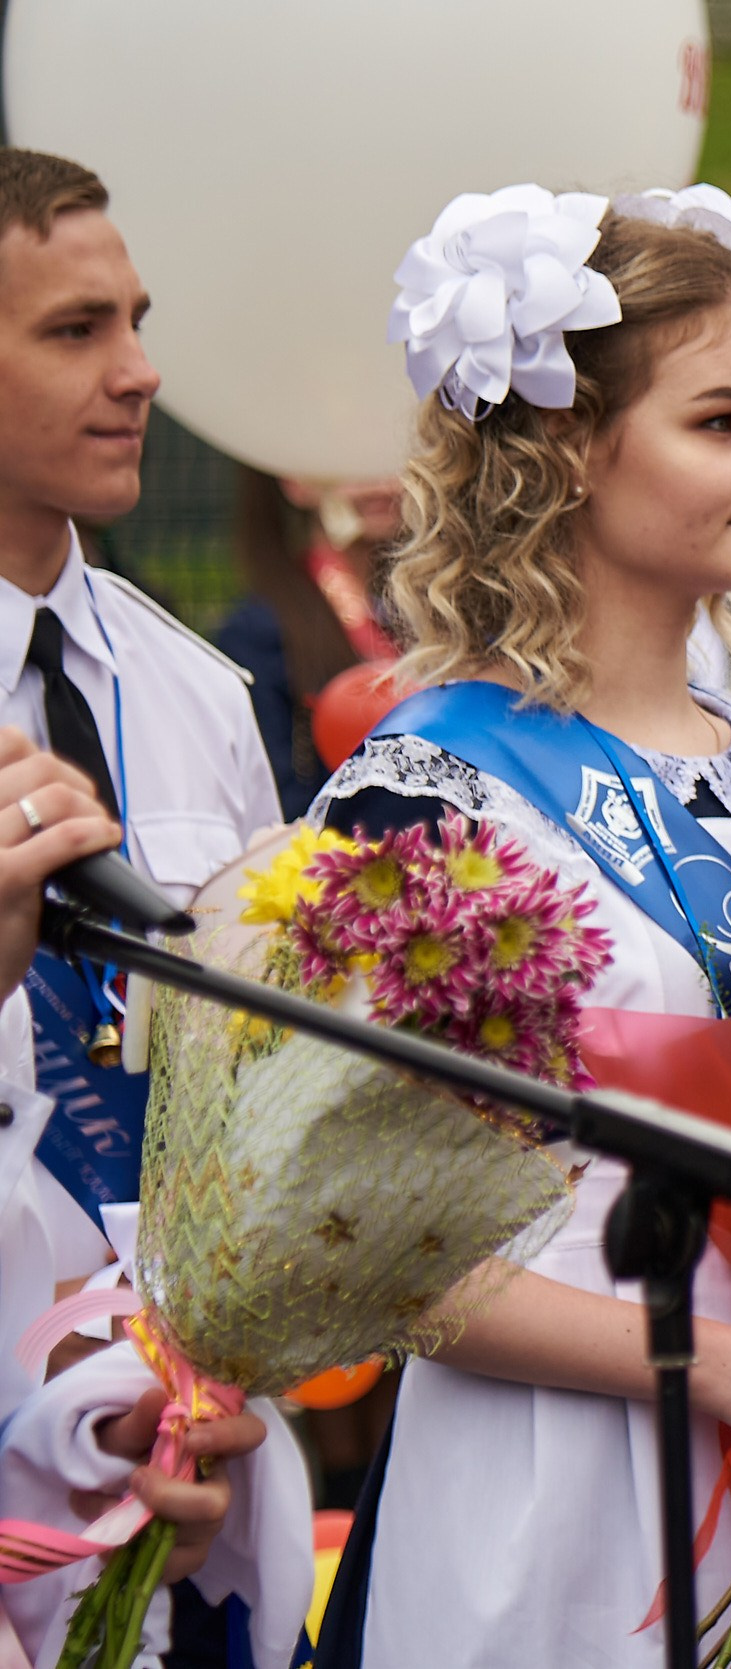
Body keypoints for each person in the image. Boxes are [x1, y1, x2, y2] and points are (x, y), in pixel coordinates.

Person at [309, 183, 731, 1667]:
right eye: (721, 423)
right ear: (570, 453)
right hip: (551, 1481)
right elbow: (371, 1250)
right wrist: (719, 1366)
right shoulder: (428, 801)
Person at [0, 144, 303, 1668]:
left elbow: (248, 1095)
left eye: (136, 318)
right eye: (75, 330)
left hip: (182, 1449)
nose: (140, 371)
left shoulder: (197, 692)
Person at [221, 470, 403, 819]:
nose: (381, 479)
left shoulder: (433, 616)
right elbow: (274, 800)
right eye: (352, 457)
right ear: (296, 480)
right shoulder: (260, 631)